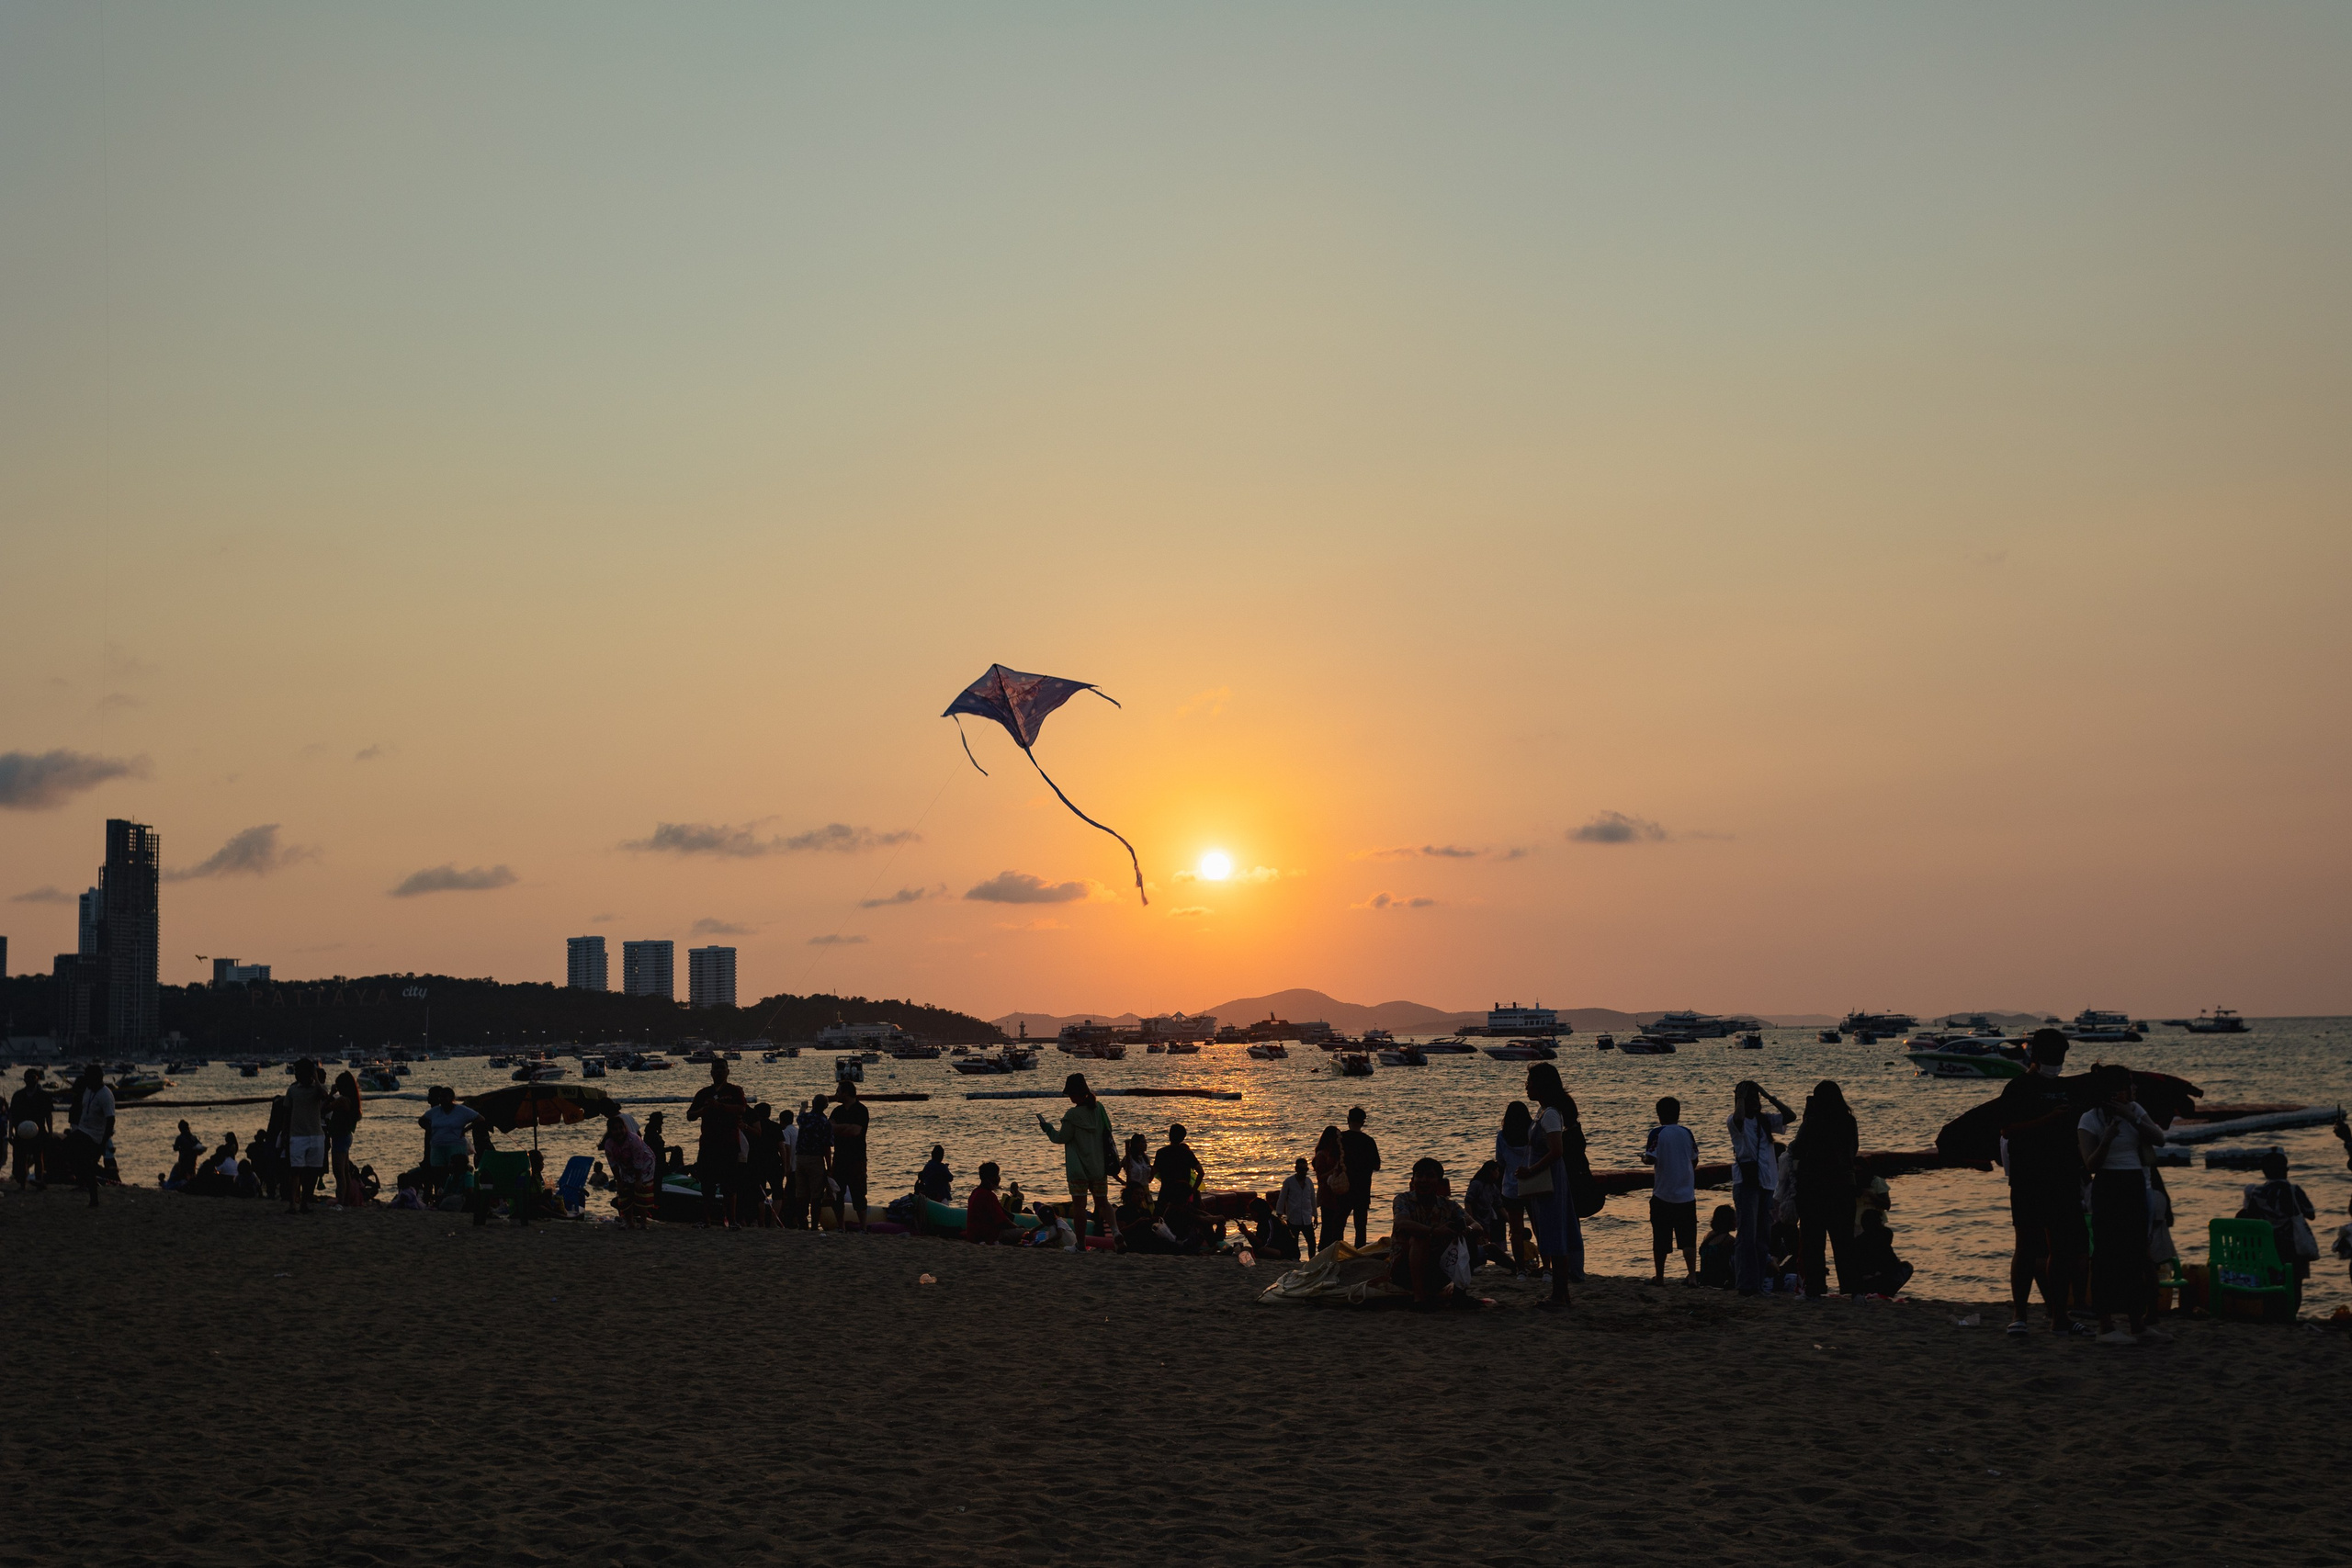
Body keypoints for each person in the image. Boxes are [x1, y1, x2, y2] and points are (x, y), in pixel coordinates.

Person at [1996, 1031, 2087, 1337]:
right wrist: (2047, 1119)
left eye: (2060, 1058)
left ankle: (2059, 1316)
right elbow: (2008, 1129)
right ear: (2036, 1057)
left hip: (2062, 1177)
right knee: (2026, 1247)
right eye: (2052, 1058)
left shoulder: (2066, 1088)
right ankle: (2020, 1315)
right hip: (2028, 1178)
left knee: (2060, 1250)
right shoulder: (2018, 1088)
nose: (2056, 1064)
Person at [2076, 1065, 2165, 1344]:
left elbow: (2159, 1139)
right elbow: (2089, 1164)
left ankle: (2137, 1323)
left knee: (2137, 1253)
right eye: (2128, 1085)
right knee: (2105, 1256)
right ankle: (2106, 1325)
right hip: (2107, 1186)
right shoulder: (2089, 1119)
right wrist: (2107, 1139)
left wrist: (2131, 1117)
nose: (2133, 1090)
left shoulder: (2135, 1110)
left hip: (2134, 1183)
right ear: (2114, 1091)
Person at [1520, 1064, 1586, 1311]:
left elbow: (1557, 1151)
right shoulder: (1545, 1112)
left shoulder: (1549, 1114)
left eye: (1530, 1082)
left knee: (1555, 1233)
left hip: (1550, 1182)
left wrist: (1531, 1170)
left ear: (1541, 1085)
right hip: (1548, 1179)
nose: (1526, 1086)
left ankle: (1559, 1294)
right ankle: (1562, 1293)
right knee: (1554, 1232)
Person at [1788, 1081, 1858, 1300]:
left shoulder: (1813, 1122)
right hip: (1843, 1187)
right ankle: (1851, 1289)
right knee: (1844, 1242)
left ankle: (1815, 1288)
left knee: (1813, 1242)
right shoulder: (1848, 1121)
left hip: (1814, 1188)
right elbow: (1852, 1151)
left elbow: (1796, 1149)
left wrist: (1806, 1117)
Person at [1726, 1080, 1794, 1296]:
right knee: (1746, 1236)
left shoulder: (1765, 1121)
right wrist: (1741, 1098)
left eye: (1756, 1099)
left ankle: (1756, 1283)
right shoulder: (1735, 1121)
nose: (1755, 1103)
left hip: (1767, 1184)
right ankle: (1745, 1285)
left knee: (1762, 1237)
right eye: (1751, 1099)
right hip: (1746, 1184)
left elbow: (1790, 1116)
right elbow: (1738, 1117)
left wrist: (1768, 1096)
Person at [1390, 1157, 1485, 1307]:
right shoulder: (1403, 1200)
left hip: (1437, 1270)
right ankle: (1419, 1300)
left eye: (1429, 1176)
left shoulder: (1449, 1205)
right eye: (1419, 1176)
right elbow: (1402, 1222)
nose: (1423, 1180)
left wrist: (1466, 1231)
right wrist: (1435, 1231)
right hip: (1404, 1269)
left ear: (1440, 1182)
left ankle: (1460, 1295)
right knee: (1420, 1238)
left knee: (1468, 1238)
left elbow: (1477, 1226)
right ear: (1412, 1180)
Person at [1036, 1073, 1114, 1245]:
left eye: (1070, 1093)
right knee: (1103, 1202)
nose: (1069, 1097)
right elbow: (1107, 1130)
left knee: (1080, 1206)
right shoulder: (1099, 1108)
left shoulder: (1072, 1114)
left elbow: (1061, 1138)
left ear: (1075, 1093)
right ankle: (1116, 1234)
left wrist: (1047, 1128)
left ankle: (1080, 1244)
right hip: (1098, 1165)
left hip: (1078, 1169)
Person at [2237, 1150, 2318, 1302]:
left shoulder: (2257, 1192)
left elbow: (2252, 1217)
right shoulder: (2294, 1190)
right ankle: (2291, 1315)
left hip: (2268, 1247)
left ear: (2264, 1171)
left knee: (2272, 1281)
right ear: (2286, 1170)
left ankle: (2274, 1312)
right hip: (2293, 1246)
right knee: (2295, 1283)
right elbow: (2311, 1214)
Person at [1642, 1096, 1700, 1284]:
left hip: (1663, 1194)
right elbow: (1694, 1160)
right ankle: (1692, 1276)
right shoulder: (1687, 1133)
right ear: (1678, 1113)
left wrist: (1643, 1159)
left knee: (1661, 1238)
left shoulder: (1657, 1133)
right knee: (1688, 1239)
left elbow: (1651, 1158)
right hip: (1686, 1194)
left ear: (1659, 1115)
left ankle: (1660, 1277)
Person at [686, 1058, 751, 1227]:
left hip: (729, 1144)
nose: (719, 1071)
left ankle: (733, 1221)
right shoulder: (703, 1093)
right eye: (716, 1069)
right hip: (708, 1145)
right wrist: (704, 1110)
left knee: (730, 1186)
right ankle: (705, 1220)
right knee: (707, 1185)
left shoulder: (734, 1091)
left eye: (722, 1068)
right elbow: (690, 1115)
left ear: (728, 1071)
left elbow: (742, 1109)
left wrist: (720, 1106)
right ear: (711, 1072)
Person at [416, 1088, 483, 1201]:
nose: (442, 1099)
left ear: (452, 1099)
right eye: (441, 1097)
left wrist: (466, 1129)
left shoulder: (461, 1110)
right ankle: (440, 1197)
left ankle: (459, 1197)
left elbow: (480, 1119)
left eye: (445, 1097)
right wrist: (429, 1129)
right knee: (438, 1174)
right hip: (437, 1147)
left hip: (455, 1146)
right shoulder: (435, 1111)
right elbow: (421, 1120)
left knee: (457, 1173)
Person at [65, 1064, 115, 1207]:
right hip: (83, 1130)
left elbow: (111, 1119)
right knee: (74, 1154)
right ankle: (90, 1191)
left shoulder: (105, 1095)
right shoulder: (88, 1090)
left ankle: (94, 1197)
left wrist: (103, 1142)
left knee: (88, 1165)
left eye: (88, 1077)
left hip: (96, 1135)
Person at [601, 1110, 658, 1228]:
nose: (619, 1131)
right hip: (626, 1165)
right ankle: (629, 1221)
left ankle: (643, 1222)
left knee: (641, 1191)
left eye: (621, 1128)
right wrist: (619, 1181)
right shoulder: (609, 1144)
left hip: (645, 1163)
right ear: (610, 1131)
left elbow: (638, 1162)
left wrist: (638, 1179)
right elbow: (613, 1165)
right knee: (625, 1192)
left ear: (625, 1128)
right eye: (615, 1129)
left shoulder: (633, 1140)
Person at [830, 1081, 873, 1228]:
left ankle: (863, 1227)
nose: (836, 1094)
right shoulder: (836, 1111)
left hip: (857, 1159)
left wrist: (838, 1128)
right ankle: (840, 1227)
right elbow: (829, 1129)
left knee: (859, 1194)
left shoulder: (861, 1110)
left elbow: (855, 1131)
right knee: (837, 1194)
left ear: (846, 1093)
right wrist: (846, 1128)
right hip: (839, 1158)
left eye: (838, 1091)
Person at [1339, 1108, 1381, 1247]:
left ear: (1348, 1120)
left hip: (1343, 1188)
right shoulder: (1369, 1141)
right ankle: (1360, 1252)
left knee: (1339, 1224)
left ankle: (1339, 1251)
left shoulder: (1340, 1139)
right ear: (1363, 1123)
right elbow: (1377, 1165)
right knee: (1360, 1226)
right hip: (1362, 1188)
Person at [1847, 1210, 1914, 1297]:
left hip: (1862, 1282)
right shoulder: (1882, 1239)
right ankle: (1887, 1292)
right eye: (1881, 1221)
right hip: (1878, 1280)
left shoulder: (1858, 1241)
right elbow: (1891, 1262)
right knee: (1907, 1267)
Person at [793, 1095, 833, 1230]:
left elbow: (800, 1115)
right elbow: (827, 1147)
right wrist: (829, 1166)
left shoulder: (804, 1118)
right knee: (816, 1194)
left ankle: (802, 1222)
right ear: (825, 1106)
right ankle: (814, 1225)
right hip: (816, 1159)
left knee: (801, 1193)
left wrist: (803, 1107)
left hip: (800, 1158)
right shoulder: (824, 1122)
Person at [325, 1070, 365, 1207]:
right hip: (346, 1136)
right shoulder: (351, 1100)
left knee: (339, 1172)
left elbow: (324, 1108)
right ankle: (347, 1200)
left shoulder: (342, 1100)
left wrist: (331, 1093)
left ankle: (341, 1202)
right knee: (345, 1171)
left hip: (340, 1137)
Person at [11, 1067, 54, 1190]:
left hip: (39, 1131)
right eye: (28, 1077)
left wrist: (50, 1132)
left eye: (33, 1077)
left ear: (38, 1079)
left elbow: (49, 1115)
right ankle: (22, 1184)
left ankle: (39, 1180)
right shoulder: (18, 1095)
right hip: (21, 1131)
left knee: (38, 1156)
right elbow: (12, 1115)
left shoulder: (44, 1096)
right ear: (24, 1080)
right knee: (21, 1158)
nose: (30, 1080)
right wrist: (10, 1133)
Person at [746, 1104, 787, 1225]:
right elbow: (782, 1148)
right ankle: (774, 1222)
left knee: (759, 1195)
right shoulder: (775, 1127)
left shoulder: (753, 1127)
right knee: (777, 1193)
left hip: (757, 1162)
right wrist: (785, 1165)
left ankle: (761, 1221)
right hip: (773, 1162)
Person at [1153, 1123, 1204, 1217]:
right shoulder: (1187, 1153)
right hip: (1183, 1194)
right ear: (1183, 1138)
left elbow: (1153, 1172)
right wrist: (1193, 1190)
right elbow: (1201, 1172)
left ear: (1169, 1136)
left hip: (1166, 1192)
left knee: (1160, 1218)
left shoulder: (1161, 1153)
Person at [965, 1161, 1023, 1244]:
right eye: (996, 1175)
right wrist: (1017, 1227)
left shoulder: (975, 1192)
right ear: (988, 1178)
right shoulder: (988, 1195)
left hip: (973, 1235)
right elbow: (1002, 1221)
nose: (998, 1178)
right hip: (989, 1235)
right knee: (1025, 1233)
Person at [1464, 1160, 1508, 1269]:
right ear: (1491, 1171)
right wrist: (1472, 1220)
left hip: (1487, 1221)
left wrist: (1511, 1221)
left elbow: (1499, 1206)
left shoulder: (1492, 1187)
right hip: (1477, 1220)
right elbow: (1468, 1201)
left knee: (1486, 1244)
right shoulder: (1477, 1184)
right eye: (1497, 1170)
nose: (1498, 1173)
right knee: (1479, 1245)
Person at [1311, 1125, 1348, 1252]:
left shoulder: (1336, 1154)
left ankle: (1336, 1250)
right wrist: (1334, 1170)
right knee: (1327, 1225)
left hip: (1336, 1193)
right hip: (1327, 1194)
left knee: (1336, 1225)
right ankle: (1323, 1250)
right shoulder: (1321, 1155)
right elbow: (1320, 1177)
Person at [1277, 1157, 1317, 1249]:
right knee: (1293, 1243)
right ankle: (1295, 1260)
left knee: (1312, 1242)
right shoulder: (1289, 1182)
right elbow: (1282, 1198)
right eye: (1301, 1169)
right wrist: (1279, 1214)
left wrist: (1315, 1216)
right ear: (1296, 1169)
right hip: (1293, 1218)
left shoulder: (1309, 1182)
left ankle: (1311, 1260)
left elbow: (1312, 1199)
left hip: (1307, 1218)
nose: (1303, 1172)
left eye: (1306, 1169)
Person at [1696, 1204, 1738, 1288]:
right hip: (1720, 1279)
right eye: (1734, 1219)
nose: (1736, 1222)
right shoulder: (1729, 1240)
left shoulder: (1708, 1235)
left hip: (1705, 1277)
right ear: (1728, 1221)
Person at [168, 1120, 204, 1185]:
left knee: (183, 1174)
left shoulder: (179, 1138)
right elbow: (199, 1145)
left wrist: (179, 1148)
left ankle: (184, 1185)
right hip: (192, 1158)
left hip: (183, 1158)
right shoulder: (193, 1137)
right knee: (192, 1172)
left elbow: (175, 1148)